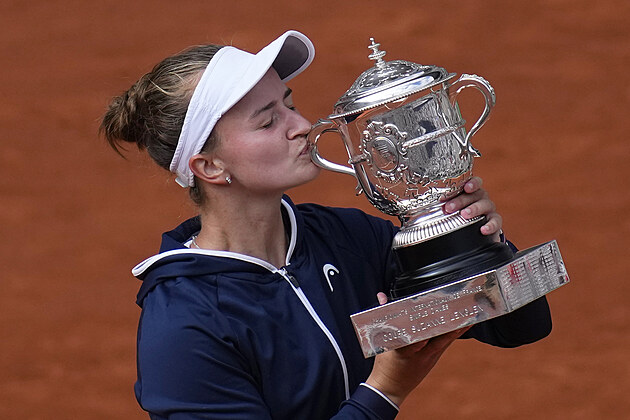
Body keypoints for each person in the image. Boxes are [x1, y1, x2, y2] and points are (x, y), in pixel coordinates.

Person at [101, 30, 552, 419]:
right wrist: (384, 391)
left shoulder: (346, 238)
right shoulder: (184, 325)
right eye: (268, 121)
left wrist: (479, 242)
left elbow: (517, 327)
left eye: (290, 104)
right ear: (211, 166)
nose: (301, 126)